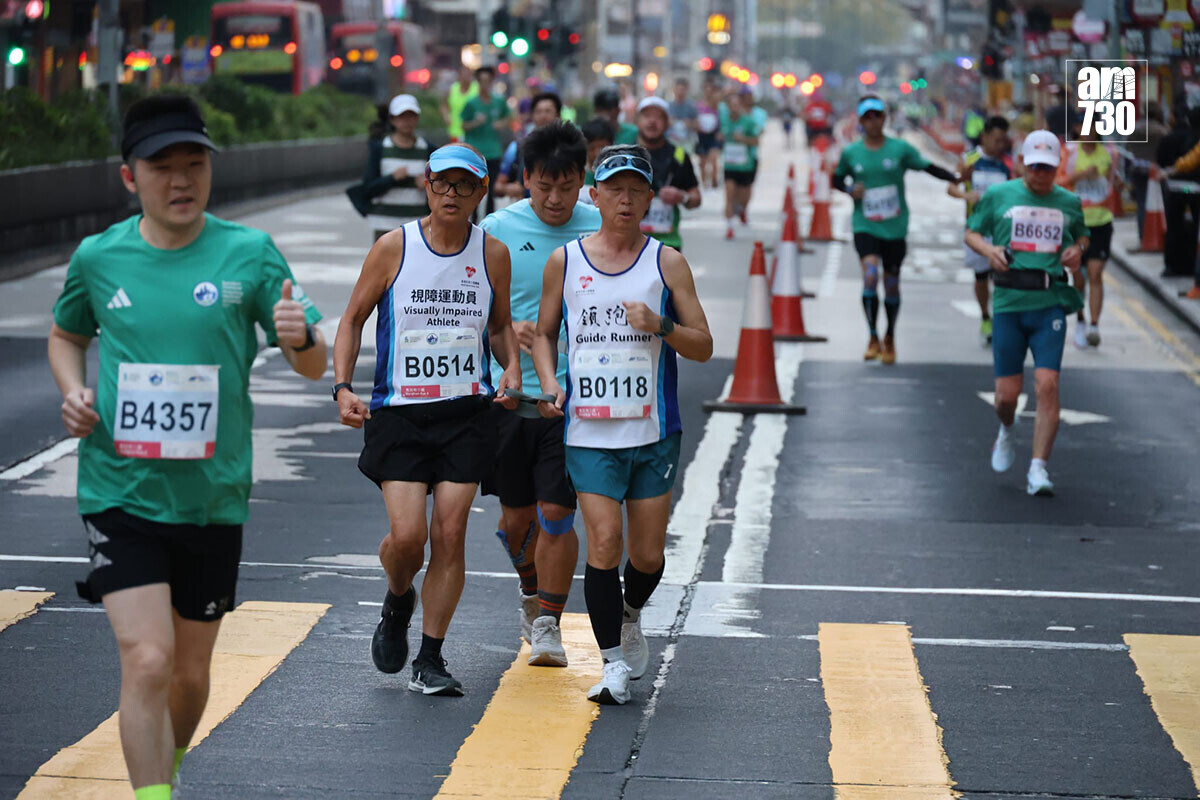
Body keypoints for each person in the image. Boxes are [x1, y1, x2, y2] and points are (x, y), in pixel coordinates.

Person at [48, 95, 327, 800]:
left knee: (189, 675)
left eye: (194, 165)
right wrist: (74, 391)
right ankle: (152, 795)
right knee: (146, 658)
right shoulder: (99, 258)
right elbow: (66, 334)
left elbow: (313, 365)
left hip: (212, 498)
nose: (181, 181)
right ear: (128, 177)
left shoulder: (248, 253)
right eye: (162, 167)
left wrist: (297, 334)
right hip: (119, 489)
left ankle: (165, 766)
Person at [332, 143, 521, 696]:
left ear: (481, 193)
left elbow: (501, 326)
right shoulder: (394, 248)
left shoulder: (493, 254)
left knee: (451, 531)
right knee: (408, 538)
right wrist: (343, 386)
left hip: (466, 413)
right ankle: (397, 600)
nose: (452, 195)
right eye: (443, 183)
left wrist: (510, 368)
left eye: (465, 186)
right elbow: (352, 319)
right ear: (427, 186)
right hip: (400, 415)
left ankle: (431, 658)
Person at [530, 144, 713, 704]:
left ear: (651, 198)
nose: (625, 200)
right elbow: (542, 332)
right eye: (614, 189)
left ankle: (631, 613)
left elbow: (704, 345)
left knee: (648, 555)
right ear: (595, 196)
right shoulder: (567, 261)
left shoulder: (668, 262)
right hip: (589, 431)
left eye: (636, 189)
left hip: (654, 430)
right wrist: (550, 382)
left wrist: (661, 325)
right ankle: (611, 663)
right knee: (604, 541)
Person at [478, 122, 602, 665]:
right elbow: (470, 310)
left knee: (557, 512)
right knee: (516, 520)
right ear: (524, 178)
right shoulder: (497, 230)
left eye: (567, 186)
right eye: (544, 186)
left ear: (583, 181)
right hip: (511, 396)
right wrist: (506, 338)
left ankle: (549, 620)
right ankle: (530, 589)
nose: (555, 199)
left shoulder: (601, 228)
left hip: (575, 402)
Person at [965, 130, 1088, 497]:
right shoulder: (999, 196)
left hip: (1048, 303)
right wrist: (988, 252)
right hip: (1008, 304)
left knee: (1048, 385)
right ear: (1021, 164)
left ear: (1057, 168)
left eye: (1048, 169)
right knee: (1006, 397)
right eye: (1034, 167)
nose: (1040, 175)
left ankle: (1038, 469)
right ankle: (1006, 430)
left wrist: (1077, 250)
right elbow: (972, 232)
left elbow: (1082, 236)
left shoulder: (1068, 202)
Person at [833, 95, 959, 364]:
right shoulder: (851, 153)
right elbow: (836, 178)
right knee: (869, 275)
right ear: (861, 121)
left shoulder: (900, 149)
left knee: (891, 284)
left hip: (894, 227)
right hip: (865, 224)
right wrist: (848, 190)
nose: (873, 121)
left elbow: (928, 167)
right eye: (867, 117)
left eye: (877, 116)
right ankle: (871, 335)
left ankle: (889, 336)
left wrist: (956, 177)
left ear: (884, 118)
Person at [947, 115, 1013, 345]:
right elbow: (951, 187)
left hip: (1002, 229)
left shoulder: (1008, 163)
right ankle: (985, 317)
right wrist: (967, 195)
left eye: (1003, 140)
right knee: (981, 276)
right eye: (996, 140)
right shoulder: (969, 159)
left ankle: (1000, 318)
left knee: (1002, 274)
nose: (1000, 145)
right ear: (984, 136)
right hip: (976, 228)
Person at [1059, 120, 1116, 348]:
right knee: (1079, 277)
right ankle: (1080, 321)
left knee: (1095, 274)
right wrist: (1081, 175)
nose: (1086, 133)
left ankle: (1094, 325)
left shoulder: (1109, 154)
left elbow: (1114, 183)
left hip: (1101, 222)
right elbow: (1059, 181)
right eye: (1082, 128)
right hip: (1077, 223)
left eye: (1091, 128)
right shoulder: (1070, 153)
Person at [632, 96, 702, 252]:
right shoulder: (625, 155)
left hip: (668, 245)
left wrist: (682, 197)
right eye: (647, 116)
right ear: (637, 120)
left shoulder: (679, 156)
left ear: (667, 122)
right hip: (629, 244)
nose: (652, 122)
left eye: (658, 117)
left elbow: (696, 198)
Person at [362, 94, 432, 240]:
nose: (407, 121)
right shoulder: (380, 148)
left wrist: (428, 185)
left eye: (411, 116)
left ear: (417, 118)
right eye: (402, 116)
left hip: (417, 224)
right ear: (392, 120)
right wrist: (392, 178)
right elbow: (368, 188)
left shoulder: (428, 150)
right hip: (384, 224)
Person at [461, 66, 512, 215]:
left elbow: (508, 116)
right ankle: (474, 218)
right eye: (482, 81)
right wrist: (476, 122)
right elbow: (463, 125)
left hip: (494, 150)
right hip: (476, 152)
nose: (485, 84)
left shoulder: (498, 101)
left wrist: (501, 124)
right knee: (474, 186)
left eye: (488, 81)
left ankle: (489, 218)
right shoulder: (471, 103)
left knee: (491, 187)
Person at [495, 91, 562, 201]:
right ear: (533, 116)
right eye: (538, 112)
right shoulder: (518, 147)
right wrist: (510, 188)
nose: (543, 116)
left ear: (558, 115)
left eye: (548, 111)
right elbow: (498, 186)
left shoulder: (568, 148)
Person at [721, 91, 762, 240]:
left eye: (737, 105)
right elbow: (720, 135)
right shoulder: (724, 121)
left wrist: (743, 139)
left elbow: (756, 141)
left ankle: (743, 209)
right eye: (731, 105)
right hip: (730, 165)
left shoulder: (749, 122)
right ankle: (729, 227)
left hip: (746, 165)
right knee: (729, 193)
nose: (734, 108)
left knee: (744, 195)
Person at [579, 117, 616, 206]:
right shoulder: (578, 174)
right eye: (591, 148)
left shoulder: (618, 175)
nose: (597, 154)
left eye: (602, 148)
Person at [440, 64, 478, 144]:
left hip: (473, 132)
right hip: (455, 131)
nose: (465, 78)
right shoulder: (453, 89)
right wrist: (446, 115)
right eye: (463, 75)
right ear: (459, 76)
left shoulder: (477, 89)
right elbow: (444, 104)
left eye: (468, 75)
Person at [696, 83, 723, 189]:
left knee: (713, 159)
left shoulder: (718, 107)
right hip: (702, 136)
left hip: (713, 136)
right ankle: (703, 184)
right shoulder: (699, 106)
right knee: (702, 162)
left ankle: (714, 181)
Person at [667, 77, 698, 147]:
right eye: (677, 89)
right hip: (672, 141)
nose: (680, 92)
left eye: (682, 90)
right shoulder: (668, 106)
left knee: (682, 157)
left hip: (687, 142)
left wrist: (689, 123)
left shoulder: (691, 106)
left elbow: (697, 125)